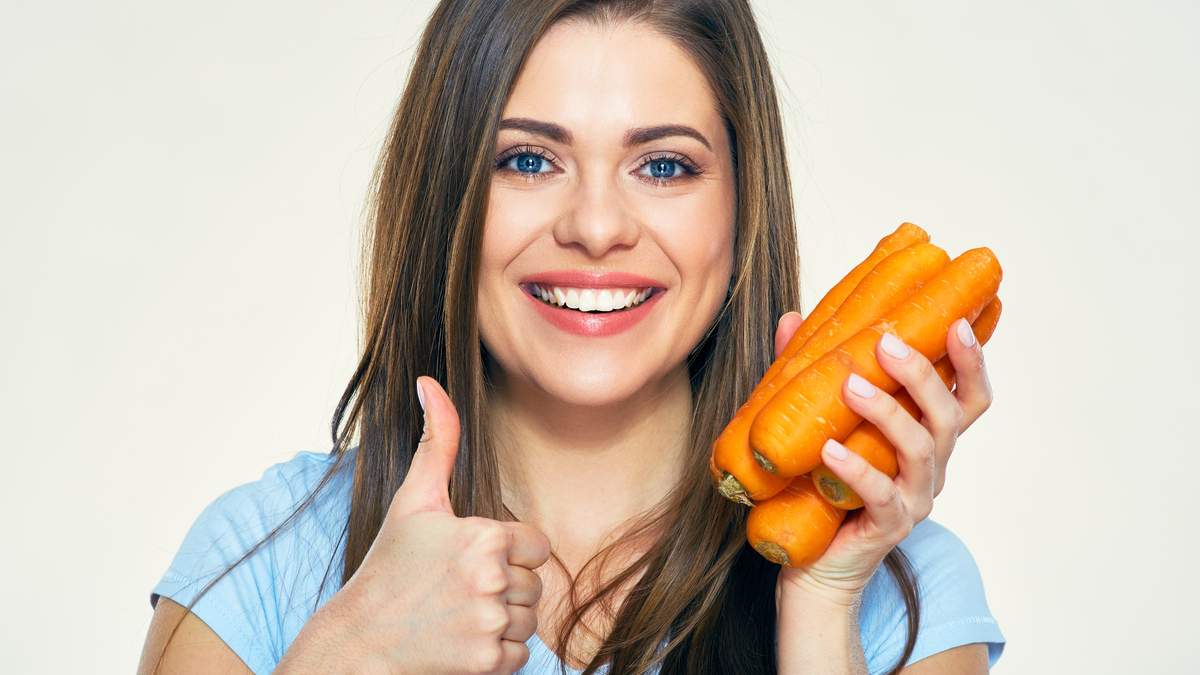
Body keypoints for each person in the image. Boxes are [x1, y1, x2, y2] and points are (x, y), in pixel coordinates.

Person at [138, 1, 1006, 673]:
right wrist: (351, 650)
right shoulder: (260, 562)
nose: (596, 227)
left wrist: (820, 594)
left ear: (741, 210)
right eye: (527, 160)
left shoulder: (897, 594)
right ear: (449, 197)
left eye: (663, 165)